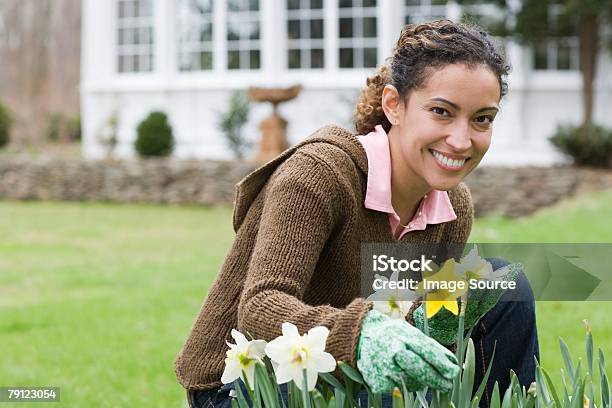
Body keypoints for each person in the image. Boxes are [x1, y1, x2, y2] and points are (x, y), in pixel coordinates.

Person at [175, 20, 539, 408]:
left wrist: (432, 319)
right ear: (393, 106)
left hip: (349, 374)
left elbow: (408, 314)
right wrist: (362, 332)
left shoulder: (453, 206)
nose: (462, 139)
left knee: (506, 290)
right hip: (242, 383)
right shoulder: (320, 174)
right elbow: (261, 306)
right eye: (441, 111)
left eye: (482, 118)